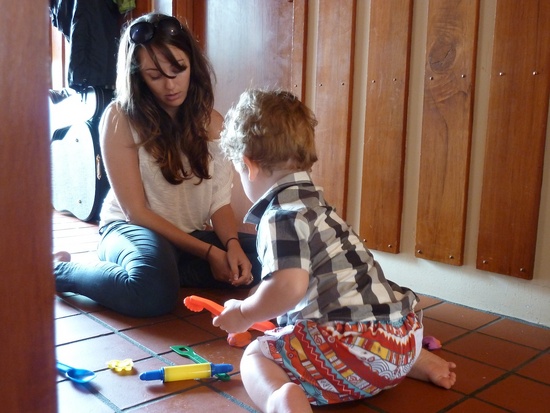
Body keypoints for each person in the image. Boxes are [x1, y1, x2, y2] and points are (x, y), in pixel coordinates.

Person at [213, 89, 457, 412]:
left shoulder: (279, 216)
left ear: (249, 166)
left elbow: (288, 287)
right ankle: (418, 361)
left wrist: (245, 314)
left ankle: (280, 400)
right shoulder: (320, 208)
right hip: (401, 339)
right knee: (366, 323)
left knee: (255, 357)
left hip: (347, 349)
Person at [54, 13, 261, 318]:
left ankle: (165, 271)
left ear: (193, 65)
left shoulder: (212, 122)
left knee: (273, 256)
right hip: (129, 229)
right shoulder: (119, 118)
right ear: (138, 76)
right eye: (155, 76)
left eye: (178, 70)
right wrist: (209, 252)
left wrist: (231, 245)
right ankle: (59, 270)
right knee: (153, 294)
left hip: (185, 238)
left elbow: (219, 204)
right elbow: (136, 212)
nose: (170, 85)